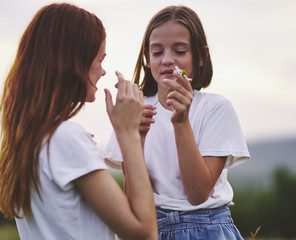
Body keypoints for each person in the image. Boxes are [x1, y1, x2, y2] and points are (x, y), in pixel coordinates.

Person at [0, 3, 157, 240]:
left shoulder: (31, 138)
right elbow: (144, 233)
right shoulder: (66, 137)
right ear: (74, 62)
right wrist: (127, 132)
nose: (103, 71)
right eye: (100, 60)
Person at [104, 5, 250, 240]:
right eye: (158, 52)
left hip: (207, 228)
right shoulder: (136, 109)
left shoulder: (215, 108)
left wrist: (181, 121)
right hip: (152, 229)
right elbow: (134, 200)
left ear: (201, 56)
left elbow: (198, 193)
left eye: (180, 51)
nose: (168, 60)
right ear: (146, 58)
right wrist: (136, 137)